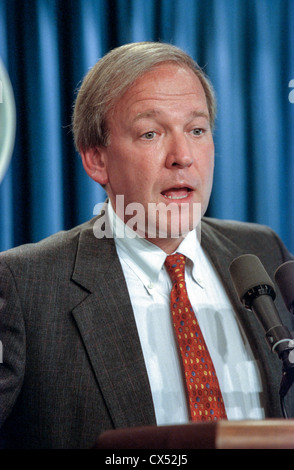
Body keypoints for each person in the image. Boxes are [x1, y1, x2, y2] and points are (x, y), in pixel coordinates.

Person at [0, 42, 293, 449]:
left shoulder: (262, 252)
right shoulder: (26, 285)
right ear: (96, 159)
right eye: (151, 133)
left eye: (197, 129)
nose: (182, 157)